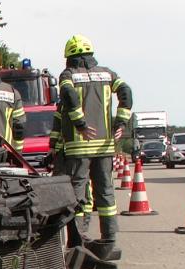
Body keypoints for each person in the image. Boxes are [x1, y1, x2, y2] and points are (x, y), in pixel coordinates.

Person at [55, 34, 132, 245]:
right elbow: (126, 92)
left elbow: (68, 95)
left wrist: (79, 124)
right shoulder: (108, 74)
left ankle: (77, 239)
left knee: (77, 193)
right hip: (105, 146)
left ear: (69, 56)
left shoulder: (68, 74)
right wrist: (120, 123)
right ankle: (109, 237)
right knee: (105, 192)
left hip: (78, 147)